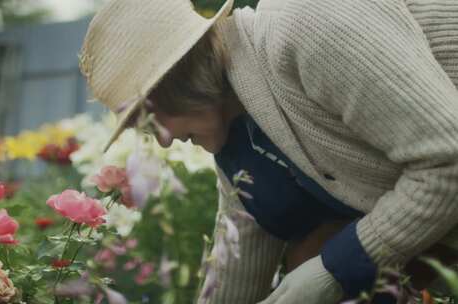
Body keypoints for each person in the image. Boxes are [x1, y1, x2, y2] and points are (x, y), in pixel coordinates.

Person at [78, 0, 458, 303]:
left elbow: (448, 158)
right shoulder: (241, 131)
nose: (160, 141)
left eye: (148, 119)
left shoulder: (307, 22)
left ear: (177, 82)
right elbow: (238, 266)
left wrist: (333, 270)